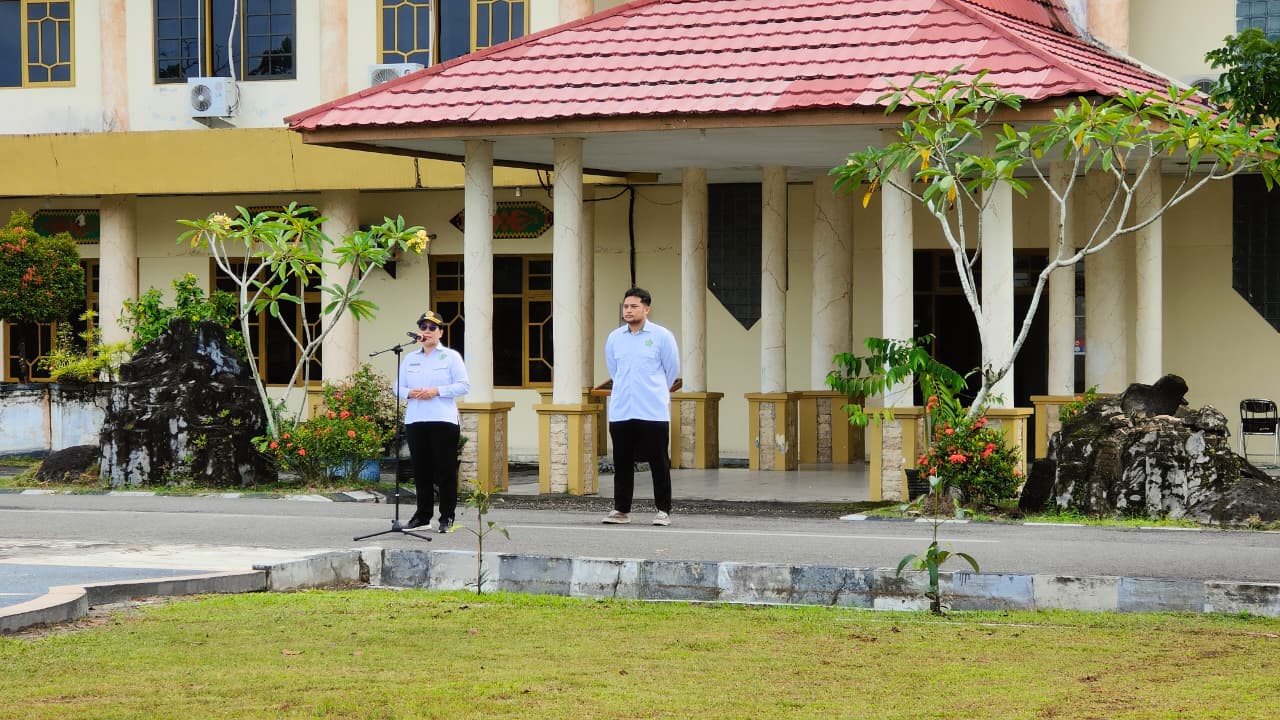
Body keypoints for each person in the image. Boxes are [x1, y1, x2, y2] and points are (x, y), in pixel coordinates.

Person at [602, 287, 680, 526]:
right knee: (622, 462)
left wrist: (654, 391)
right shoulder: (615, 338)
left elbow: (671, 370)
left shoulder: (662, 336)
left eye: (634, 306)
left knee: (659, 462)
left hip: (652, 410)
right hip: (622, 410)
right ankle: (621, 510)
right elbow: (614, 370)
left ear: (646, 309)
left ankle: (663, 510)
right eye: (626, 306)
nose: (628, 310)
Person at [399, 309, 470, 533]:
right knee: (421, 471)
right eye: (423, 327)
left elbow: (463, 386)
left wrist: (436, 391)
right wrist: (409, 393)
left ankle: (447, 516)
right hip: (416, 419)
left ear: (440, 332)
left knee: (445, 470)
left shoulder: (450, 357)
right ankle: (422, 516)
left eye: (432, 327)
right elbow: (397, 386)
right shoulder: (410, 358)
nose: (427, 331)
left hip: (442, 419)